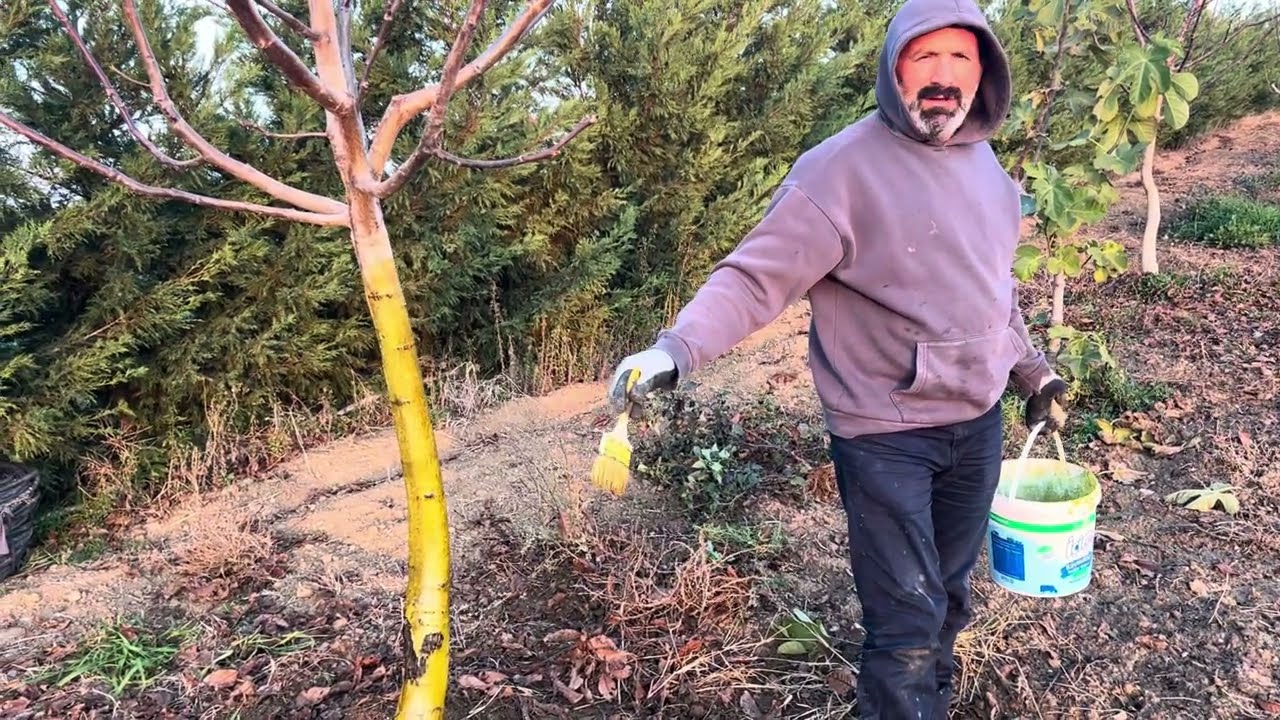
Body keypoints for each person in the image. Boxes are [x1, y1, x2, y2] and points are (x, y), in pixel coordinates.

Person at [604, 0, 1070, 716]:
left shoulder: (984, 163)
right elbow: (754, 278)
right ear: (892, 68)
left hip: (977, 422)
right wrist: (676, 350)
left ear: (985, 74)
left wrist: (1030, 370)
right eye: (925, 58)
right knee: (905, 617)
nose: (943, 78)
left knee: (946, 596)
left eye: (961, 60)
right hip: (886, 432)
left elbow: (991, 288)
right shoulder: (838, 172)